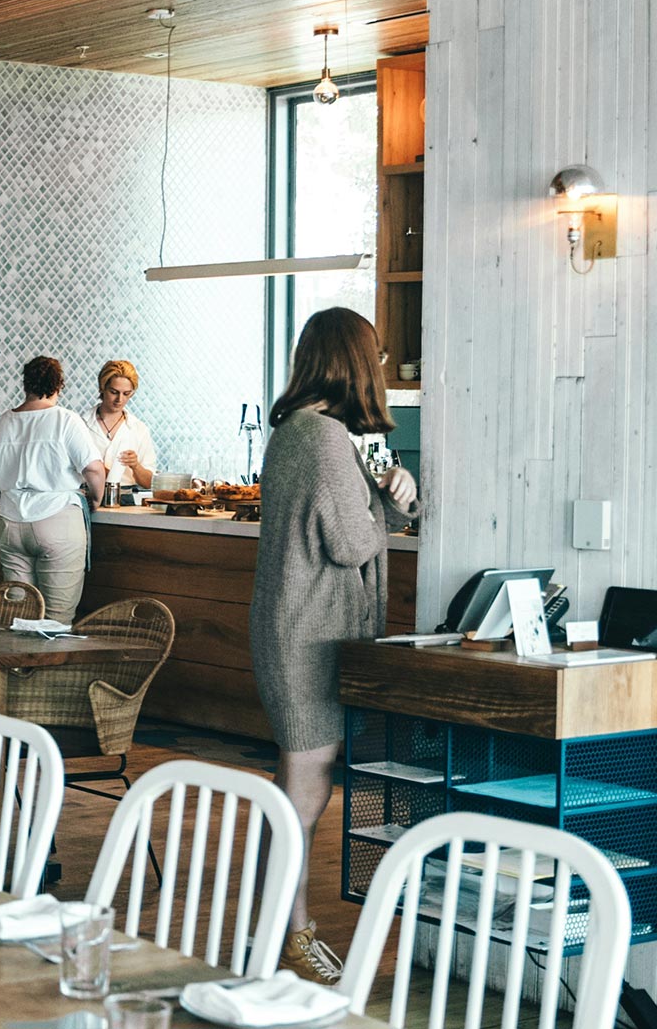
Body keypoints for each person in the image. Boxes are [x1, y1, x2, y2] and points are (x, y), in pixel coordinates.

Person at [251, 308, 418, 985]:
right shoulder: (323, 438)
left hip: (299, 628)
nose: (379, 366)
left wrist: (390, 499)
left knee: (295, 785)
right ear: (353, 360)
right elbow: (352, 543)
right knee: (306, 789)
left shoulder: (299, 431)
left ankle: (276, 929)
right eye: (375, 355)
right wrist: (390, 504)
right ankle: (289, 937)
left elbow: (359, 527)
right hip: (311, 637)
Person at [0, 356, 107, 620]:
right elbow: (94, 469)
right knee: (56, 620)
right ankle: (48, 661)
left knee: (20, 617)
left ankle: (18, 663)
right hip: (57, 521)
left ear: (25, 385)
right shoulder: (66, 420)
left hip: (10, 523)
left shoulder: (2, 423)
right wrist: (97, 498)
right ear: (59, 385)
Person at [87, 359, 159, 495]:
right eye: (114, 392)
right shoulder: (81, 425)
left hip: (127, 504)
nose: (119, 399)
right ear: (102, 388)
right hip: (89, 497)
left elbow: (150, 483)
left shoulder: (138, 429)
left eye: (126, 394)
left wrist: (135, 466)